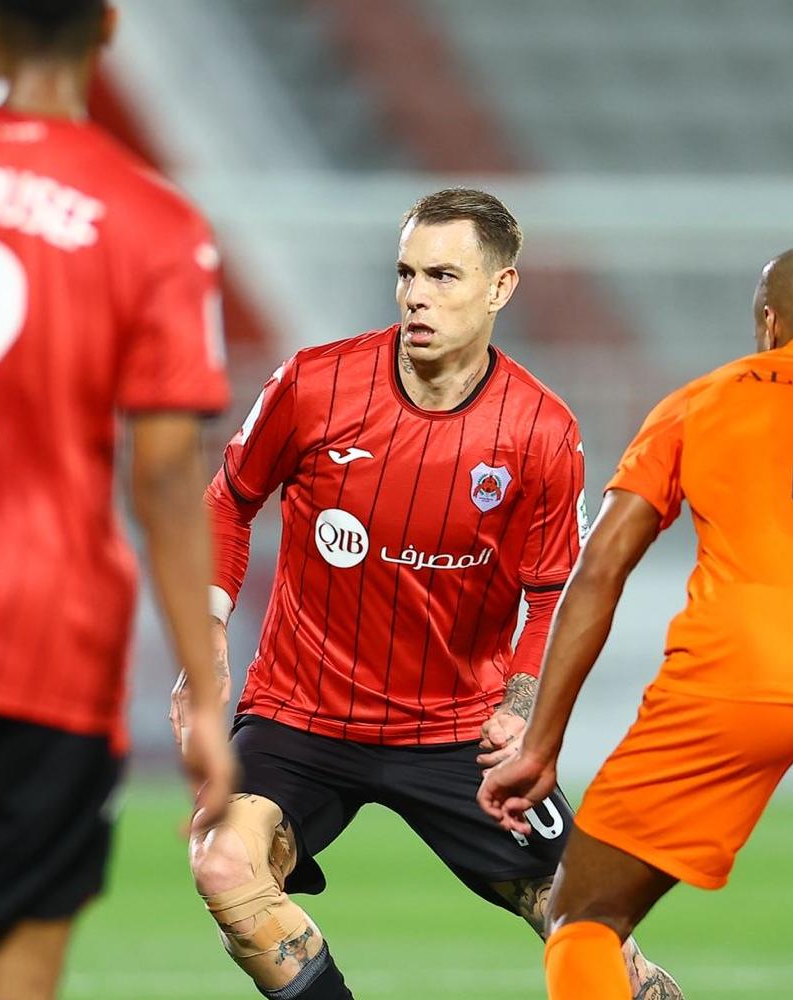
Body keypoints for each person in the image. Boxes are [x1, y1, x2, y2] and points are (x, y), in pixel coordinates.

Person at [175, 188, 681, 999]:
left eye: (443, 276)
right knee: (223, 862)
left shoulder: (541, 431)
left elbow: (553, 588)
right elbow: (228, 500)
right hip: (302, 714)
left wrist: (523, 707)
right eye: (406, 273)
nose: (416, 295)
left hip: (456, 728)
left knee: (587, 921)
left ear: (500, 287)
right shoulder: (312, 385)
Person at [0, 2, 234, 998]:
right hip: (44, 636)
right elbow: (164, 476)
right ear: (108, 26)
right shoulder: (158, 225)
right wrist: (207, 699)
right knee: (19, 967)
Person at [478, 244, 793, 999]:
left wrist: (541, 744)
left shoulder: (701, 401)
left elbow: (599, 570)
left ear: (769, 327)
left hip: (737, 675)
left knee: (584, 916)